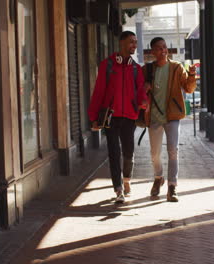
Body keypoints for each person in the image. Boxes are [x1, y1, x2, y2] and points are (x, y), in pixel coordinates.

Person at [88, 31, 147, 203]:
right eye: (131, 42)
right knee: (114, 152)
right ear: (121, 43)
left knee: (128, 151)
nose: (134, 45)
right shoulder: (107, 66)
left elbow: (141, 90)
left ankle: (127, 179)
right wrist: (93, 117)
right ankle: (118, 189)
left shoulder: (136, 68)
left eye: (135, 42)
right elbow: (98, 92)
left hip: (129, 116)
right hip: (110, 116)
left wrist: (143, 101)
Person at [143, 37, 196, 202]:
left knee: (173, 151)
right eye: (159, 48)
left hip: (172, 116)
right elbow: (140, 91)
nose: (163, 50)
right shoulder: (148, 69)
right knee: (154, 154)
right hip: (154, 117)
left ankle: (172, 186)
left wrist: (192, 74)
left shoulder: (176, 67)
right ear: (153, 52)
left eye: (165, 47)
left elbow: (189, 87)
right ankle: (158, 178)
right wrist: (145, 89)